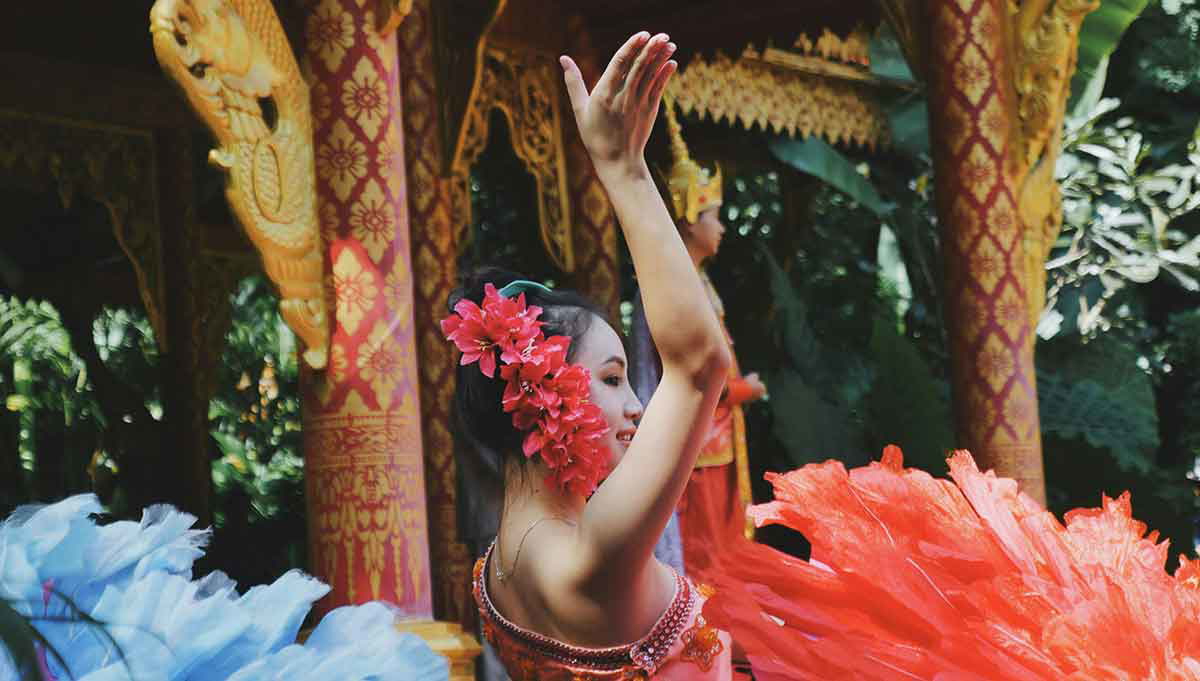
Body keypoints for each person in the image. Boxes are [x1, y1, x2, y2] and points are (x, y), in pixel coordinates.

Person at [444, 31, 736, 680]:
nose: (636, 406)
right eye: (611, 378)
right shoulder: (591, 552)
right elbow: (699, 363)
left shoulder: (496, 571)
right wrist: (624, 166)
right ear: (543, 394)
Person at [630, 95, 766, 578]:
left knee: (726, 553)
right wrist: (742, 389)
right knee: (707, 556)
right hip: (700, 443)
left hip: (717, 437)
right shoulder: (675, 286)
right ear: (689, 218)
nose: (723, 227)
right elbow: (690, 370)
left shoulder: (695, 280)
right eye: (714, 216)